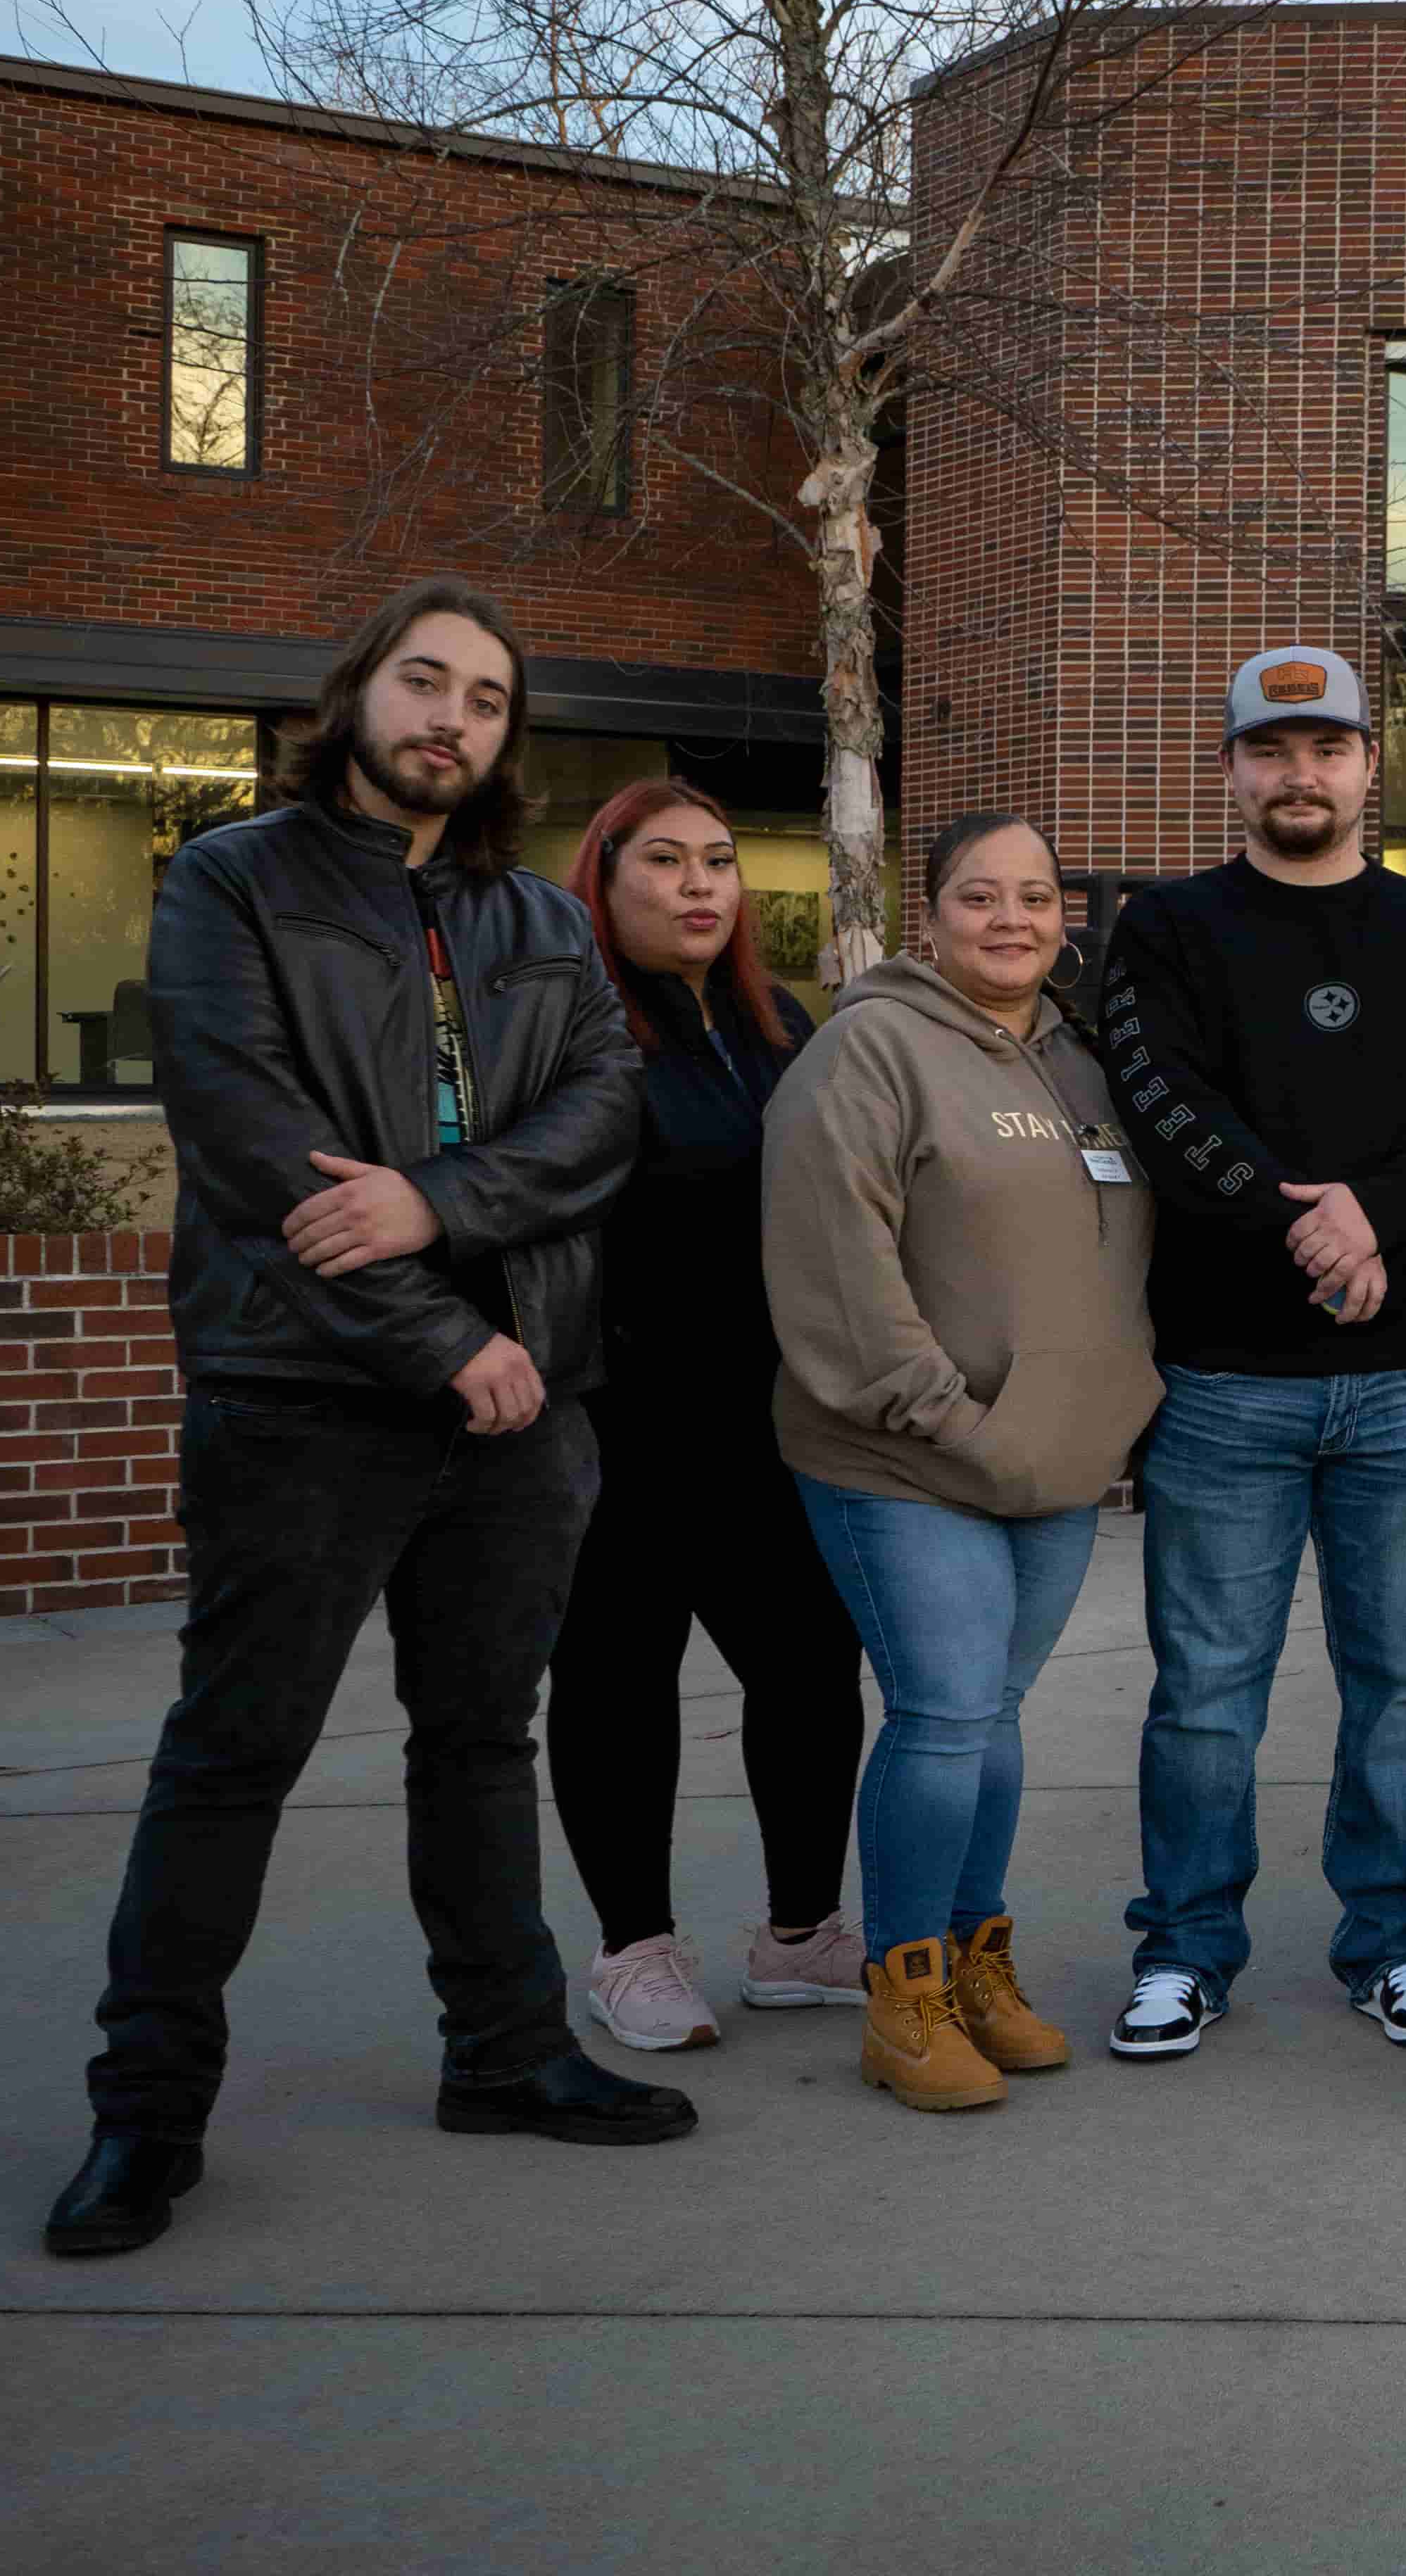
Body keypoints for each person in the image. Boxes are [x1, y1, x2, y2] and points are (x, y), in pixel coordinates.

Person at [51, 579, 680, 2260]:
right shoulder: (230, 879)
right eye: (426, 680)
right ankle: (145, 2117)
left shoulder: (541, 919)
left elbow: (603, 1112)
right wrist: (434, 1335)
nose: (451, 718)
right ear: (360, 693)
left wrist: (436, 1206)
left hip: (523, 1395)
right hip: (305, 1393)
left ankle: (508, 2049)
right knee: (233, 1752)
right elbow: (248, 1140)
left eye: (485, 698)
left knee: (481, 1741)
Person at [1100, 645, 1406, 2057]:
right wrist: (1302, 1223)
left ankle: (1396, 1937)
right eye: (1272, 748)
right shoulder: (1168, 927)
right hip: (1226, 1378)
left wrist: (1375, 1214)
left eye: (1328, 745)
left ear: (1368, 766)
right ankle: (1186, 1946)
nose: (1302, 772)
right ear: (1231, 769)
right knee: (1209, 1687)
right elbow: (1158, 1094)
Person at [762, 811, 1159, 2114]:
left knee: (989, 1723)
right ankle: (905, 1990)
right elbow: (840, 1268)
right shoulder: (867, 1051)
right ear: (928, 917)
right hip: (908, 1461)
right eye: (980, 897)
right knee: (939, 1717)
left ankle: (981, 1964)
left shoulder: (1080, 1062)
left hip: (1050, 1465)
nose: (1012, 919)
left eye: (1037, 898)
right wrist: (955, 1423)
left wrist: (1104, 1411)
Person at [542, 778, 870, 2052]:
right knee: (620, 1681)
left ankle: (799, 1936)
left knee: (807, 1670)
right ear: (606, 878)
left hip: (770, 1413)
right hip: (615, 1412)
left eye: (721, 862)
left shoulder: (773, 1017)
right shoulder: (570, 1025)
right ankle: (634, 1950)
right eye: (667, 862)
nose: (700, 886)